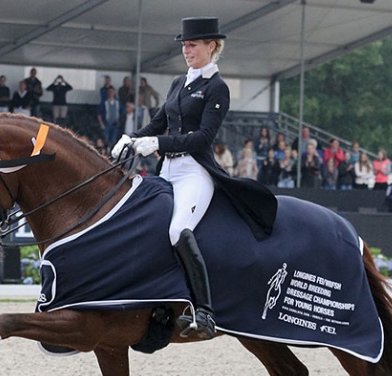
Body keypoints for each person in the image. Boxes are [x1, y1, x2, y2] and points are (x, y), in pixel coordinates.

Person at [111, 17, 277, 340]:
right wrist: (130, 139)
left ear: (211, 47)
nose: (186, 50)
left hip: (194, 172)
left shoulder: (217, 88)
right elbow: (158, 124)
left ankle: (206, 312)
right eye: (185, 45)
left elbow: (202, 138)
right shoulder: (177, 84)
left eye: (193, 45)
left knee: (177, 230)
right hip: (167, 171)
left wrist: (157, 144)